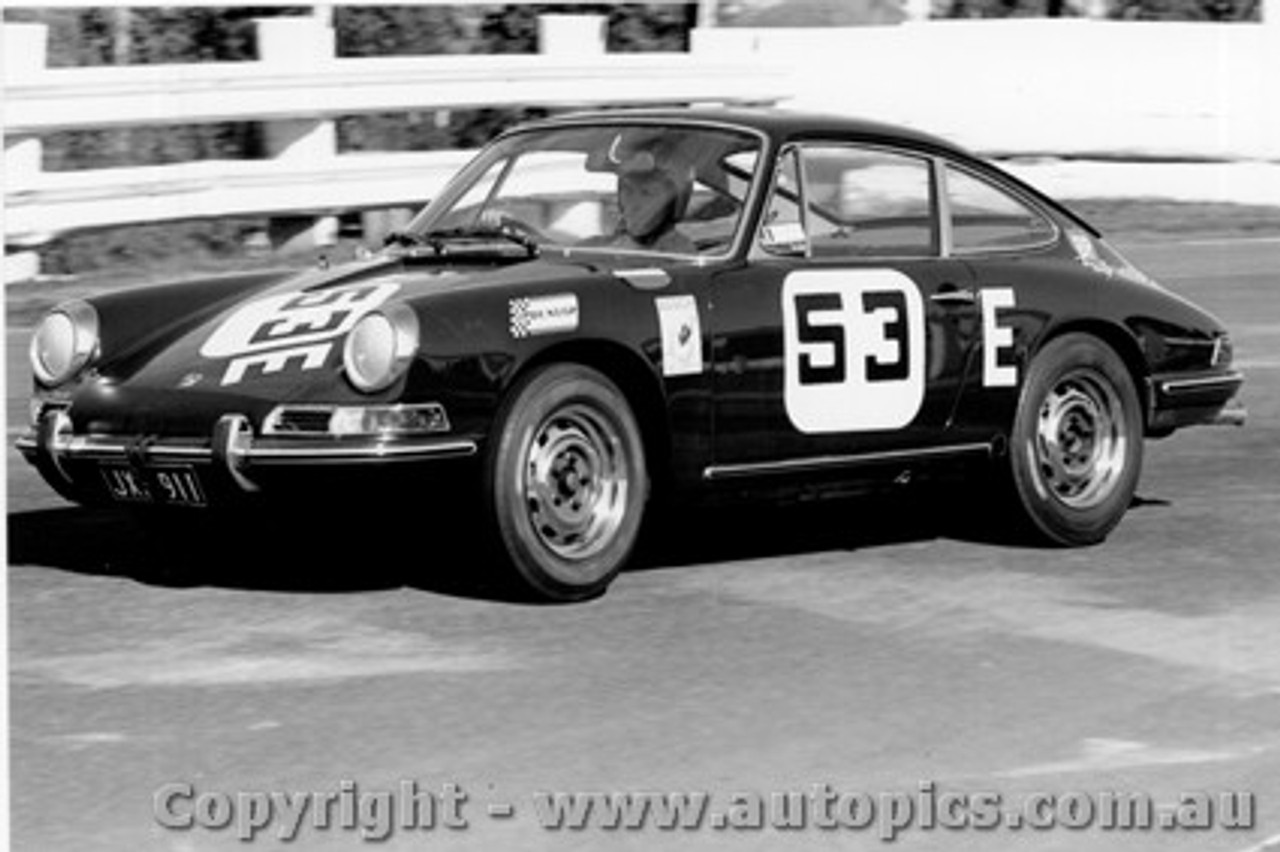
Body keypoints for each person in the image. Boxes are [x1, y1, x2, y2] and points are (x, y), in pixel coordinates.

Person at [588, 149, 697, 254]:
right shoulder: (592, 248)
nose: (633, 203)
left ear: (673, 204)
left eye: (647, 193)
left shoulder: (681, 256)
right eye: (628, 189)